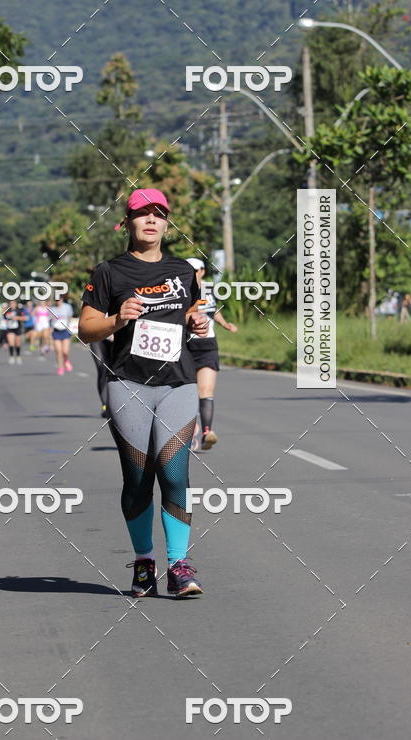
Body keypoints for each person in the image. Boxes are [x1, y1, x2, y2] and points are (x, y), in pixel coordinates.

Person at [79, 188, 209, 598]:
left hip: (178, 382)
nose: (151, 221)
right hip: (128, 384)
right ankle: (143, 562)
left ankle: (179, 566)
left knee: (174, 472)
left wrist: (198, 323)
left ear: (167, 223)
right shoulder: (109, 272)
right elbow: (86, 328)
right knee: (137, 478)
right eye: (142, 214)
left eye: (159, 214)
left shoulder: (183, 271)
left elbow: (192, 315)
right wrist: (117, 319)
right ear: (128, 222)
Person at [186, 258, 238, 451]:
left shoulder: (208, 290)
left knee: (206, 391)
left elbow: (213, 309)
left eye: (196, 270)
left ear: (202, 271)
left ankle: (207, 432)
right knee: (188, 394)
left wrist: (225, 325)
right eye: (188, 270)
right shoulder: (179, 290)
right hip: (186, 346)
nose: (193, 274)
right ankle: (190, 433)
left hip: (207, 345)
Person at [50, 293, 74, 375]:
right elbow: (50, 321)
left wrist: (69, 326)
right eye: (56, 300)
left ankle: (66, 360)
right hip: (56, 331)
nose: (58, 301)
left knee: (65, 351)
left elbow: (70, 317)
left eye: (59, 299)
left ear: (62, 299)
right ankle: (60, 367)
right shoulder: (52, 309)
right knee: (58, 351)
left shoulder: (67, 307)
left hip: (65, 330)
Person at [5, 298, 26, 364]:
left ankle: (18, 356)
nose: (12, 305)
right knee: (11, 343)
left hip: (17, 328)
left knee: (17, 343)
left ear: (16, 304)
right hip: (9, 328)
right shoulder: (7, 310)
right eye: (11, 303)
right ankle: (11, 357)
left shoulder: (19, 310)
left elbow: (25, 318)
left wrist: (17, 318)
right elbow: (2, 318)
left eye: (13, 303)